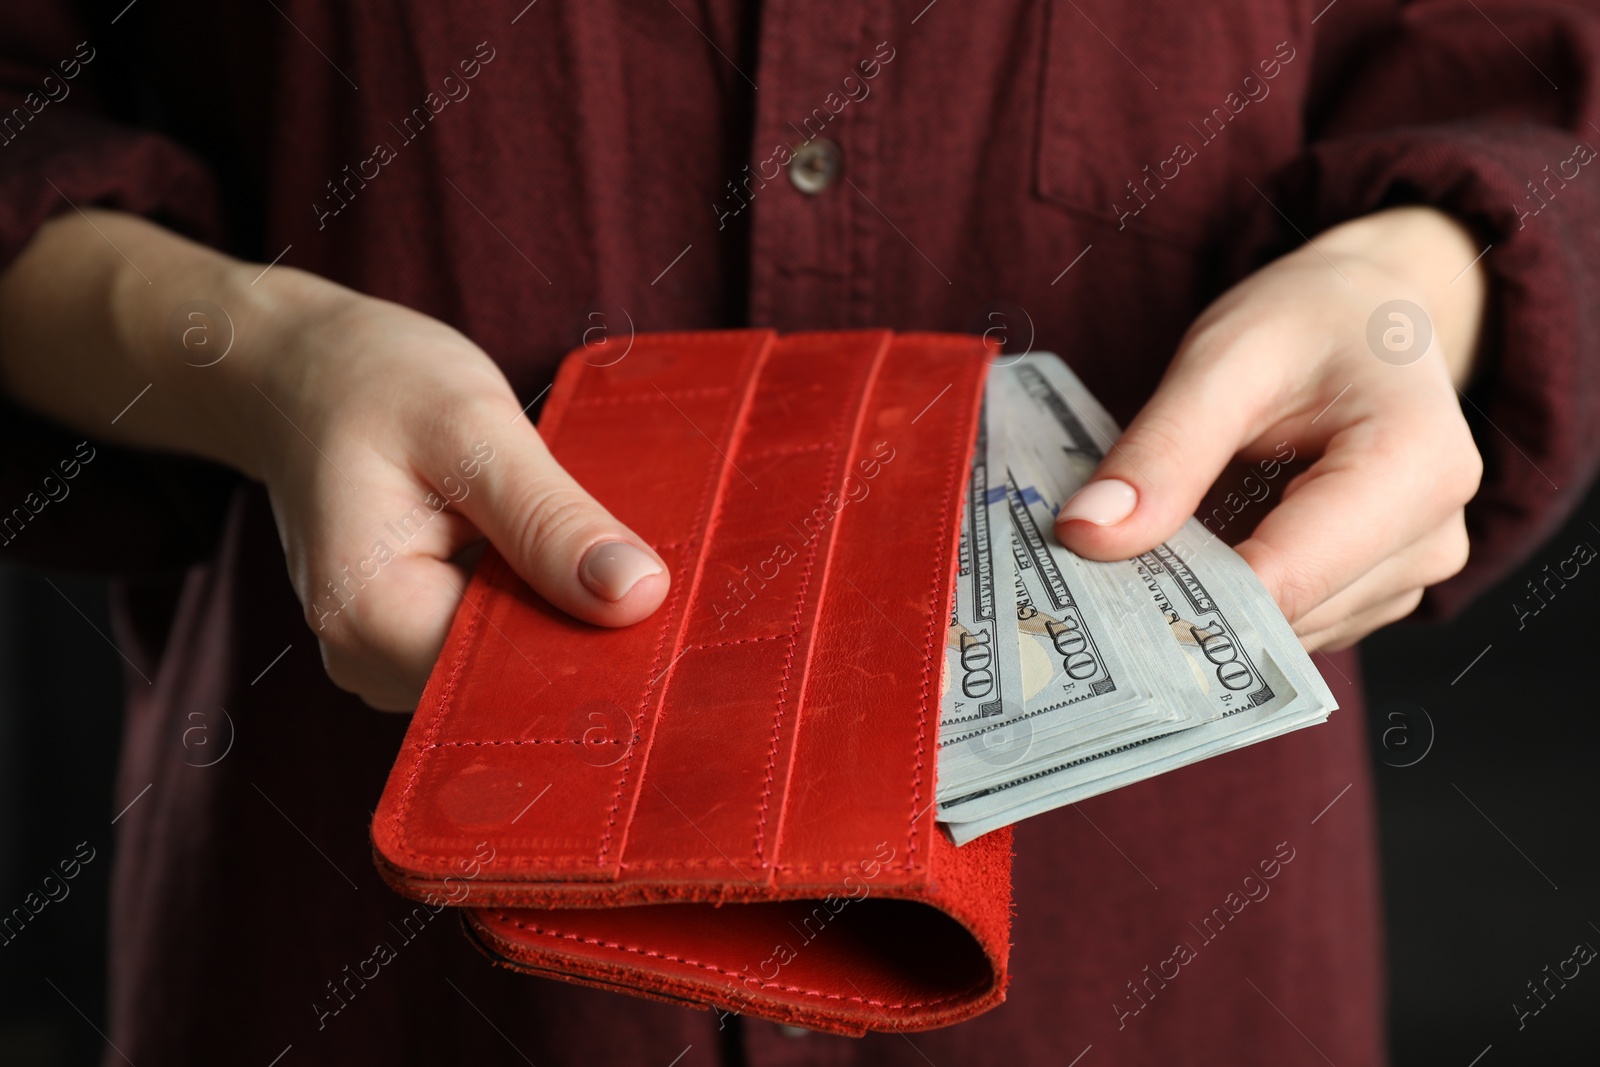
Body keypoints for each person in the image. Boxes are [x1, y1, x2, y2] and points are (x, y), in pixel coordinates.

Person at [0, 1, 1595, 1064]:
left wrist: (1408, 299)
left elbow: (1521, 77)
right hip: (366, 939)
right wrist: (252, 356)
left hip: (1156, 933)